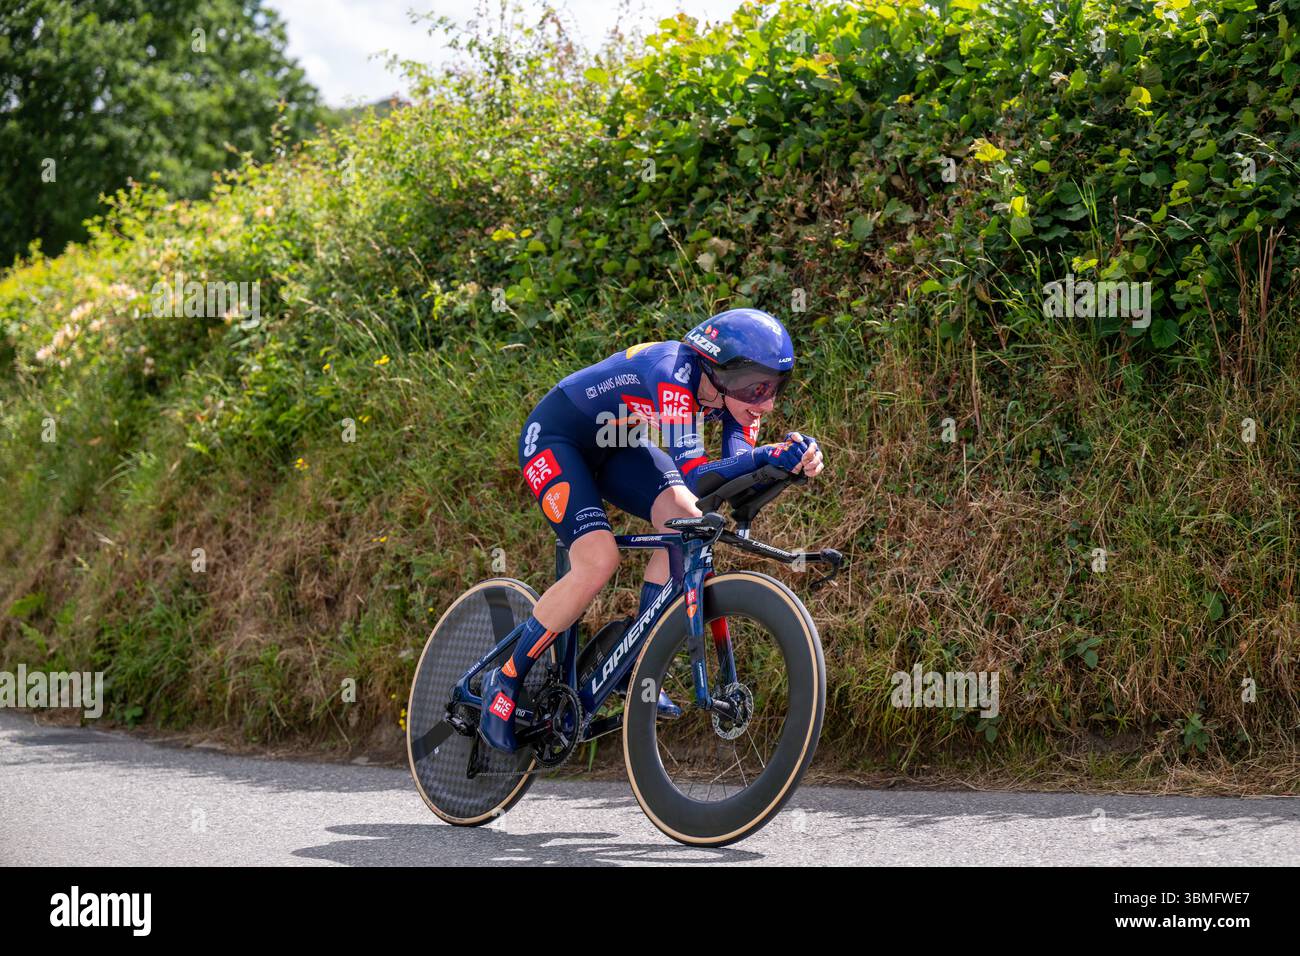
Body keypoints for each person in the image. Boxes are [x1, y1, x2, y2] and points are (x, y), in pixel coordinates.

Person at [478, 308, 824, 752]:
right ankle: (504, 680)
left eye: (775, 387)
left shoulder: (736, 397)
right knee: (598, 560)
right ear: (721, 371)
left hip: (617, 446)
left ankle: (634, 663)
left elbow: (726, 478)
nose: (768, 402)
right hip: (556, 439)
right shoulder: (674, 372)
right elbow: (699, 472)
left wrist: (789, 462)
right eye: (758, 387)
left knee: (686, 521)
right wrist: (766, 457)